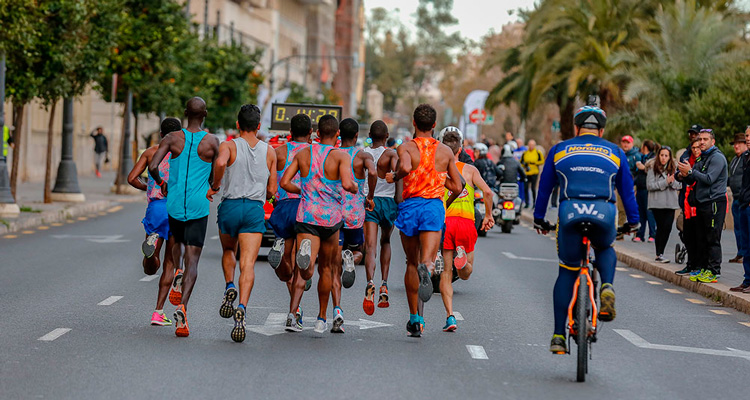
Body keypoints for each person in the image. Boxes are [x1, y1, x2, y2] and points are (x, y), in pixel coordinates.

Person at [533, 105, 639, 354]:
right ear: (601, 130)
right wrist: (633, 221)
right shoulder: (615, 152)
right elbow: (627, 190)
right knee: (604, 246)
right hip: (604, 212)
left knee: (567, 272)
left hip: (570, 212)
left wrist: (539, 218)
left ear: (576, 128)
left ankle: (559, 336)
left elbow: (545, 188)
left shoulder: (559, 150)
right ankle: (607, 287)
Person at [387, 104, 463, 337]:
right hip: (432, 207)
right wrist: (443, 192)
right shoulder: (445, 152)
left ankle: (415, 320)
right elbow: (458, 186)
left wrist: (395, 176)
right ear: (434, 125)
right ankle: (428, 268)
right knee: (427, 259)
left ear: (413, 122)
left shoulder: (406, 147)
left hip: (410, 207)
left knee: (410, 262)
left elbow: (407, 168)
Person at [280, 115, 358, 334]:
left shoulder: (304, 153)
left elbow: (284, 182)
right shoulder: (340, 156)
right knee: (327, 269)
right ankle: (322, 318)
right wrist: (353, 188)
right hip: (331, 219)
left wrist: (304, 191)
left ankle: (291, 315)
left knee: (303, 271)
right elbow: (345, 183)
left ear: (316, 132)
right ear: (337, 135)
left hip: (306, 215)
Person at [149, 97, 220, 337]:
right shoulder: (212, 142)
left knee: (175, 251)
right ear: (205, 114)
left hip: (175, 205)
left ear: (184, 113)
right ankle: (183, 309)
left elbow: (152, 167)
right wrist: (212, 186)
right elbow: (219, 168)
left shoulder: (171, 139)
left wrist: (162, 183)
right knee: (193, 261)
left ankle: (176, 274)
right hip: (199, 206)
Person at [207, 104, 276, 343]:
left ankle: (228, 286)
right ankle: (243, 309)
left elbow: (219, 164)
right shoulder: (270, 152)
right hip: (254, 209)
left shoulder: (228, 145)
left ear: (238, 124)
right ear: (258, 126)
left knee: (229, 250)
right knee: (248, 264)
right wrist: (265, 194)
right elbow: (272, 190)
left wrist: (215, 186)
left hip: (230, 206)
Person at [127, 117, 182, 327]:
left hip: (155, 207)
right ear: (180, 136)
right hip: (176, 208)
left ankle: (151, 251)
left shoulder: (151, 152)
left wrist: (151, 187)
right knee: (170, 261)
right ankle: (158, 312)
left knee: (150, 267)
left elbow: (132, 177)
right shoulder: (183, 154)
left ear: (160, 135)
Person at [438, 131, 494, 332]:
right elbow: (487, 192)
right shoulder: (470, 170)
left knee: (446, 273)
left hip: (446, 222)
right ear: (460, 150)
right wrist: (488, 215)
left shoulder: (439, 169)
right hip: (466, 223)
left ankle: (450, 316)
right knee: (465, 273)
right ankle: (462, 259)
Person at [268, 114, 312, 332]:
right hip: (305, 209)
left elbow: (271, 184)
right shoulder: (313, 153)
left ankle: (296, 307)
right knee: (302, 262)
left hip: (284, 207)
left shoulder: (279, 152)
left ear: (290, 131)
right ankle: (294, 312)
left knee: (287, 258)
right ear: (311, 132)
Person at [677, 129, 728, 283]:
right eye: (700, 139)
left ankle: (714, 271)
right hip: (702, 202)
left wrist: (691, 171)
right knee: (703, 238)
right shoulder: (702, 158)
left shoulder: (717, 158)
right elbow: (693, 180)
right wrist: (684, 175)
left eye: (705, 139)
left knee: (713, 237)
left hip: (714, 202)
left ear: (713, 141)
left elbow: (709, 179)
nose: (702, 142)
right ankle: (705, 268)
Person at [337, 118, 376, 309]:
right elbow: (374, 173)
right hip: (354, 214)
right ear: (356, 136)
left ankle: (335, 308)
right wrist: (370, 196)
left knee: (330, 259)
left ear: (339, 134)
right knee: (358, 250)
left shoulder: (332, 154)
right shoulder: (361, 156)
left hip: (333, 212)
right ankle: (351, 258)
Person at [362, 120, 399, 315]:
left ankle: (370, 282)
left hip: (371, 202)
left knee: (370, 247)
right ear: (386, 137)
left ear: (370, 135)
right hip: (389, 203)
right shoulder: (391, 154)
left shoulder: (364, 154)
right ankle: (384, 283)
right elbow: (396, 173)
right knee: (385, 242)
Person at [674, 125, 702, 275]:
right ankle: (690, 264)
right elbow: (679, 173)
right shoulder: (686, 155)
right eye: (691, 134)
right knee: (686, 233)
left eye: (696, 134)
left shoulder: (705, 159)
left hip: (700, 202)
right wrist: (680, 174)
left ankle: (699, 266)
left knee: (700, 236)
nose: (695, 149)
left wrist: (689, 173)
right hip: (686, 201)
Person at [647, 146, 681, 263]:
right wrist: (665, 182)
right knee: (661, 228)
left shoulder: (674, 168)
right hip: (657, 203)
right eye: (662, 155)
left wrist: (672, 182)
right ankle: (659, 253)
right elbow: (650, 185)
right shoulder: (653, 168)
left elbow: (678, 185)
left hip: (670, 203)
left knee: (667, 228)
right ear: (658, 156)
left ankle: (661, 252)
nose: (664, 158)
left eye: (666, 155)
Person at [733, 126, 750, 293]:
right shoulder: (745, 157)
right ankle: (747, 280)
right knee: (746, 245)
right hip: (743, 203)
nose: (748, 138)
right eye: (747, 136)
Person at [616, 135, 642, 238]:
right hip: (621, 185)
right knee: (621, 209)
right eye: (624, 142)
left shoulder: (637, 156)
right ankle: (620, 233)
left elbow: (638, 173)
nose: (625, 144)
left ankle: (637, 233)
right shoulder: (620, 155)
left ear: (632, 144)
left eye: (628, 142)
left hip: (632, 186)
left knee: (634, 207)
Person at [633, 139, 658, 242]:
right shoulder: (641, 157)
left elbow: (653, 170)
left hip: (649, 189)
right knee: (641, 212)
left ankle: (652, 234)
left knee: (649, 212)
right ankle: (640, 234)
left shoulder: (653, 158)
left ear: (645, 147)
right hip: (640, 188)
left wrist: (643, 167)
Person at [728, 133, 747, 264]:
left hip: (744, 199)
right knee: (738, 228)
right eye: (735, 144)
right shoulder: (735, 160)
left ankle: (746, 253)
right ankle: (740, 252)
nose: (736, 146)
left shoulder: (746, 158)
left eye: (739, 143)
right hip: (735, 198)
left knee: (745, 229)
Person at [522, 139, 544, 208]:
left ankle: (534, 203)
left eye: (532, 145)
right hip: (527, 173)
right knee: (526, 188)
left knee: (533, 188)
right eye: (530, 145)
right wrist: (525, 164)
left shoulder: (538, 153)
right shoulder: (525, 153)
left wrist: (535, 163)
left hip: (534, 172)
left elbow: (542, 161)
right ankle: (527, 203)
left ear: (534, 146)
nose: (531, 146)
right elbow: (521, 162)